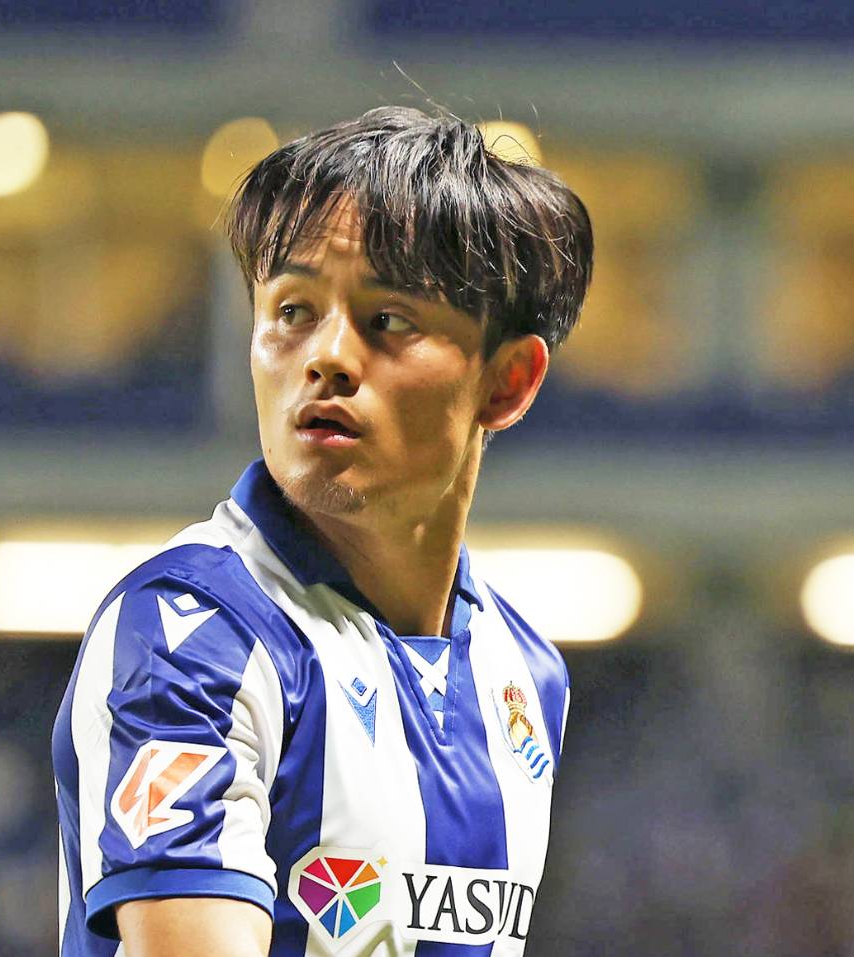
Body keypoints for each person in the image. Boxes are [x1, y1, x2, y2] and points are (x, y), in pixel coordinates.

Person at [53, 105, 593, 957]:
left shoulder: (525, 674)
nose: (326, 355)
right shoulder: (192, 633)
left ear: (508, 381)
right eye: (293, 309)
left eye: (389, 321)